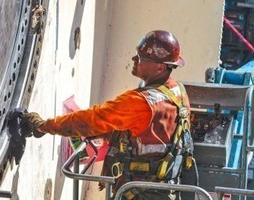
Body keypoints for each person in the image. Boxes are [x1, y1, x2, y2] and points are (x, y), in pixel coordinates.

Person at [21, 30, 193, 200]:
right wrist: (108, 134)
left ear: (160, 67)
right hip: (164, 191)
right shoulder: (178, 93)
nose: (134, 60)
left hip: (138, 194)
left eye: (140, 58)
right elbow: (154, 137)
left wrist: (44, 126)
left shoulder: (141, 102)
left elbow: (92, 120)